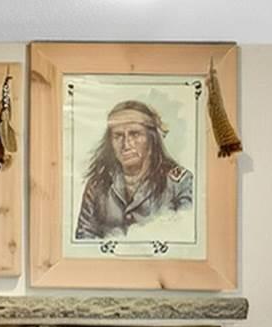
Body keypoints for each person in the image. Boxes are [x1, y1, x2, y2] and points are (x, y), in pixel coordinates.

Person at [73, 98, 196, 243]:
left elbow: (186, 237)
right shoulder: (97, 185)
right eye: (118, 136)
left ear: (152, 139)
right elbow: (83, 240)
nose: (126, 144)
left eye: (135, 134)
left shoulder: (179, 183)